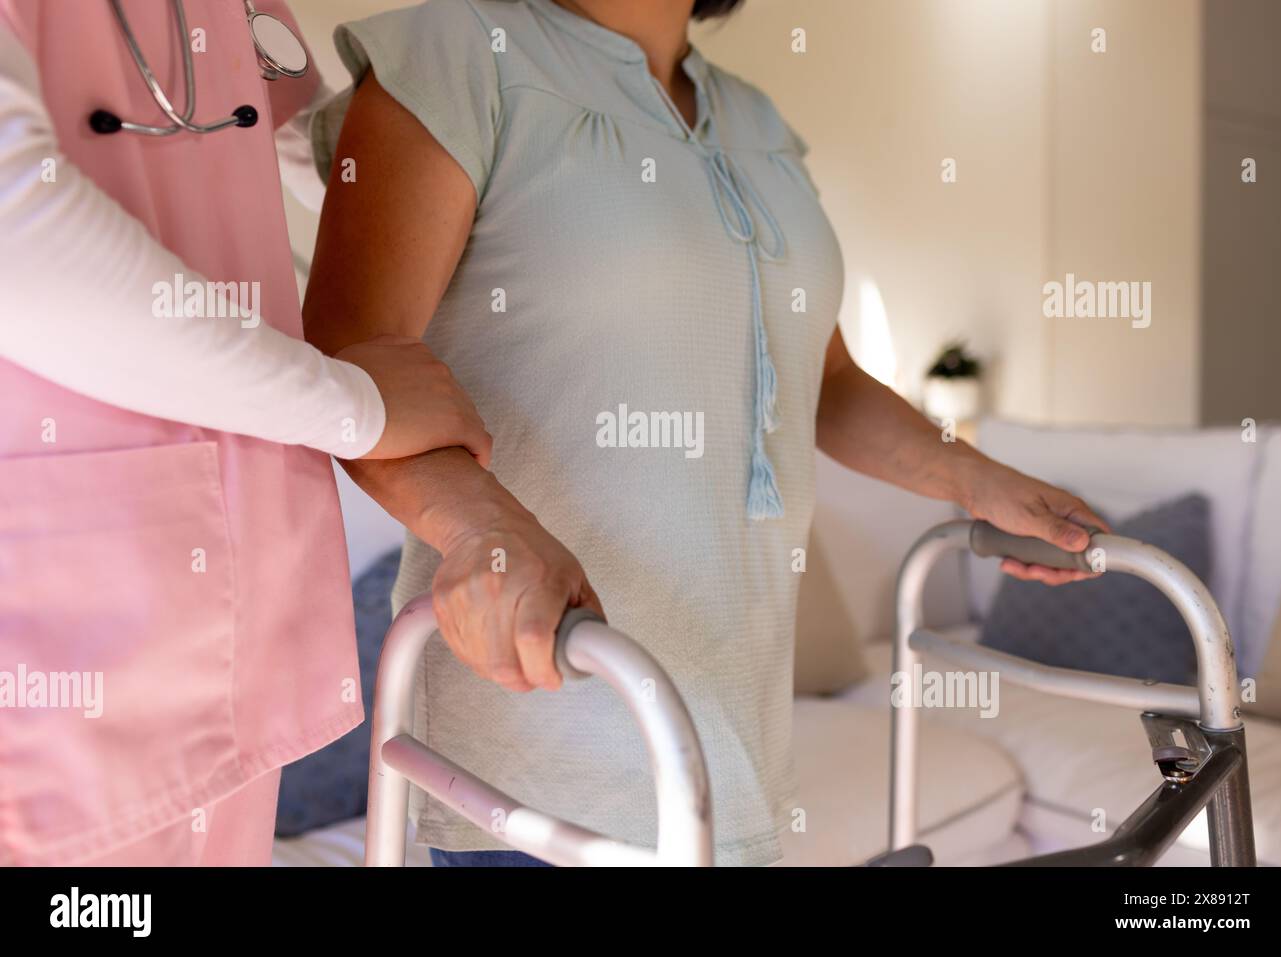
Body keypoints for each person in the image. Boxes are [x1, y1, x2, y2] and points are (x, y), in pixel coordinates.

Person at [306, 0, 1109, 866]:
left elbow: (824, 380)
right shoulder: (454, 54)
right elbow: (351, 364)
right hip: (544, 754)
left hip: (729, 755)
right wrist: (481, 530)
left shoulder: (755, 120)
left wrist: (981, 480)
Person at [0, 0, 489, 866]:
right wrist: (352, 405)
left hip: (225, 639)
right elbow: (15, 229)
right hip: (65, 654)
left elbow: (314, 149)